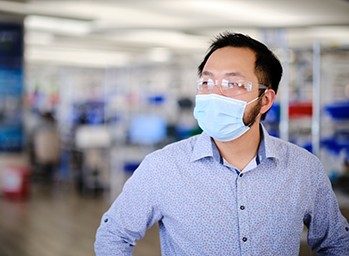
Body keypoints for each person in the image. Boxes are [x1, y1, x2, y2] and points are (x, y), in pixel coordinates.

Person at [95, 32, 349, 255]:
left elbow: (337, 243)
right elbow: (114, 235)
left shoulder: (303, 169)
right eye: (206, 82)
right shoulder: (163, 167)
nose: (214, 93)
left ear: (265, 100)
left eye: (232, 84)